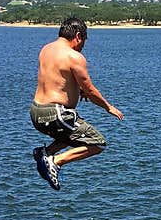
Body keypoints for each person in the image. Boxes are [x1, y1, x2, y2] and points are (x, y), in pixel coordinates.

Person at [30, 17, 124, 191]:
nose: (82, 47)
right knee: (97, 143)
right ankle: (55, 161)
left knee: (72, 135)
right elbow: (90, 90)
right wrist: (108, 107)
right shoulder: (74, 57)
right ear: (78, 36)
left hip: (36, 112)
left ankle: (45, 152)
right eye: (83, 43)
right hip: (55, 114)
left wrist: (76, 91)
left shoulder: (46, 49)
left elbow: (56, 78)